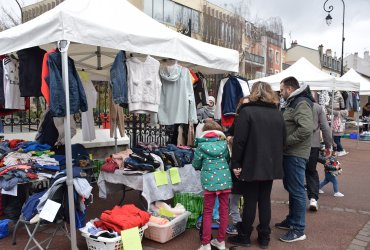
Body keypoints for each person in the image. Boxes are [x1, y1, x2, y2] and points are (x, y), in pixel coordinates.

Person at [228, 82, 285, 249]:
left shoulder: (247, 112)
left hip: (251, 161)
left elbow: (239, 141)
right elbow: (284, 140)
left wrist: (236, 163)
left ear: (253, 93)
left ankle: (245, 235)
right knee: (264, 200)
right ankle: (264, 237)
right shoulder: (277, 113)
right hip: (270, 162)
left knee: (250, 200)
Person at [276, 76, 313, 243]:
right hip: (291, 152)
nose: (280, 92)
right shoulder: (294, 102)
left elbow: (306, 129)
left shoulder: (301, 102)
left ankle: (298, 229)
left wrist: (286, 142)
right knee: (291, 187)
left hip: (295, 153)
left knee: (297, 190)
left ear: (290, 89)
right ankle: (292, 220)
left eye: (282, 90)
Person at [193, 121, 232, 250]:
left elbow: (196, 164)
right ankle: (221, 241)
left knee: (208, 212)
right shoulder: (224, 144)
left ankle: (205, 244)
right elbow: (227, 159)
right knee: (224, 211)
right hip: (224, 181)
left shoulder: (201, 146)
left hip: (209, 183)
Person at [225, 96, 250, 235]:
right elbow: (227, 133)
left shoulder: (253, 121)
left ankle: (244, 225)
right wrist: (231, 139)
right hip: (235, 163)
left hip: (249, 165)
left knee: (248, 198)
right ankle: (236, 222)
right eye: (244, 106)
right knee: (233, 196)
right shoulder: (238, 120)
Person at [306, 99, 332, 212]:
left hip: (296, 145)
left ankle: (296, 199)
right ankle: (313, 199)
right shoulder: (317, 107)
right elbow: (325, 127)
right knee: (311, 171)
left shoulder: (293, 104)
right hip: (313, 144)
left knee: (295, 172)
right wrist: (328, 145)